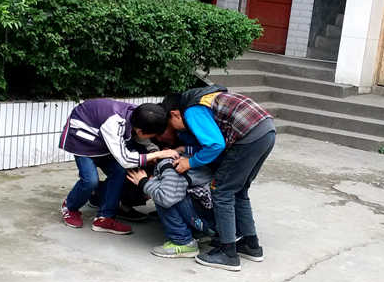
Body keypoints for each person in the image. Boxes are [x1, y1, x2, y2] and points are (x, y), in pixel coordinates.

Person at [161, 86, 275, 271]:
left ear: (175, 114)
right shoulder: (204, 98)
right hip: (265, 130)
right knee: (239, 191)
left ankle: (228, 253)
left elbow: (215, 145)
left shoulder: (191, 110)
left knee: (221, 191)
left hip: (248, 135)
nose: (175, 132)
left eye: (170, 125)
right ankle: (250, 244)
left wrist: (189, 163)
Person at [58, 99, 176, 234]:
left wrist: (152, 150)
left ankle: (105, 218)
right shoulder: (114, 123)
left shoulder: (140, 115)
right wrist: (158, 154)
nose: (155, 137)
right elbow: (125, 159)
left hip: (103, 139)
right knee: (90, 180)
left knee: (119, 171)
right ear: (141, 131)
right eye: (153, 135)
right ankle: (70, 207)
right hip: (82, 140)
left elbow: (140, 138)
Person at [126, 158, 215, 258]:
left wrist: (144, 183)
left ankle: (183, 242)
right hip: (213, 219)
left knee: (161, 195)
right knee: (166, 191)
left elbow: (166, 198)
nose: (147, 198)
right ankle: (198, 234)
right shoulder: (171, 163)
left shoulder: (169, 168)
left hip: (209, 223)